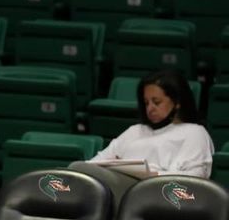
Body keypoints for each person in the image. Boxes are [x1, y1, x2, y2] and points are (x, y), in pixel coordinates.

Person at [70, 70, 214, 202]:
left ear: (177, 102)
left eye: (156, 102)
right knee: (78, 171)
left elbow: (194, 177)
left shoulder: (194, 132)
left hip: (157, 191)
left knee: (81, 173)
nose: (150, 108)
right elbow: (96, 162)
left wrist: (152, 174)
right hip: (121, 184)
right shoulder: (135, 130)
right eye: (146, 103)